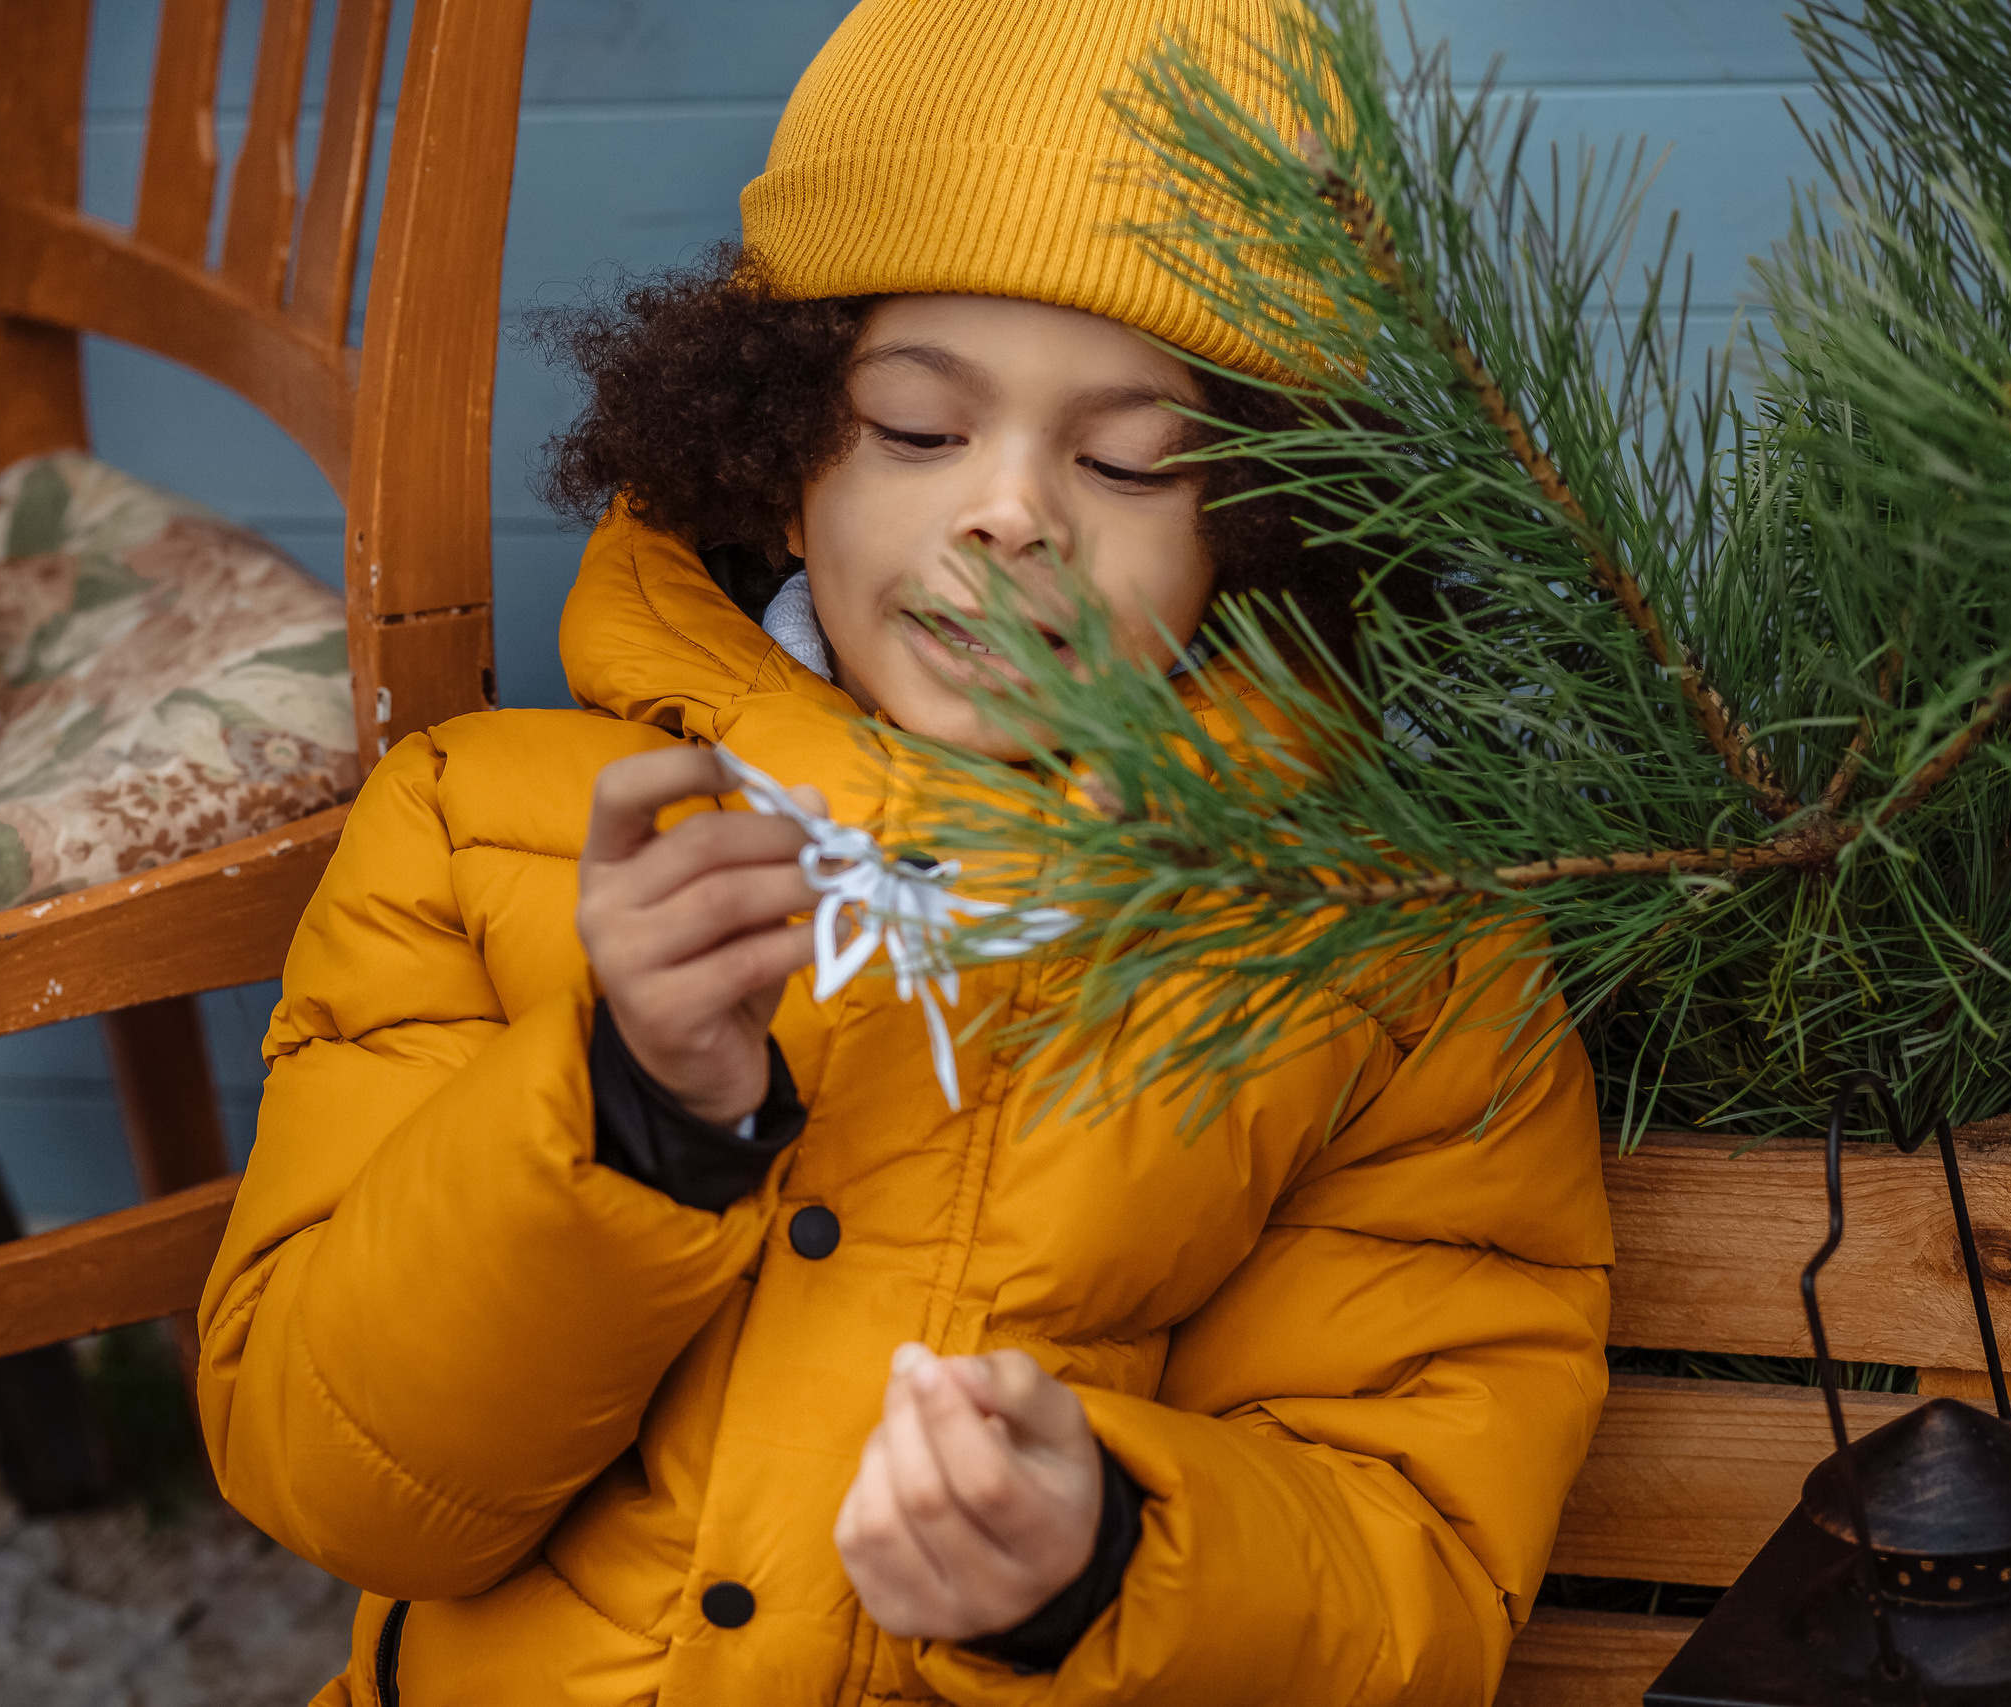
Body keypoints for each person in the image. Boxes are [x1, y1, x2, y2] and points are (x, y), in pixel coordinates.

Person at [197, 3, 1612, 1703]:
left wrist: (1102, 1564)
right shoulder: (477, 824)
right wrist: (627, 1112)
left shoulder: (1391, 966)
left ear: (1251, 538)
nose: (1010, 511)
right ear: (780, 456)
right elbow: (335, 1479)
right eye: (921, 429)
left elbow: (1414, 1562)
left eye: (1126, 459)